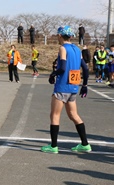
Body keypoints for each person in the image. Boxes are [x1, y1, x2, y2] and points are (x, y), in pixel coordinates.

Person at [41, 25, 91, 154]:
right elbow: (85, 69)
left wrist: (53, 74)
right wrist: (84, 85)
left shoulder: (63, 48)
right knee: (73, 115)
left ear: (59, 35)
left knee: (55, 115)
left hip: (62, 86)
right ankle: (85, 144)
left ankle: (53, 146)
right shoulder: (77, 49)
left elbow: (62, 68)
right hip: (73, 87)